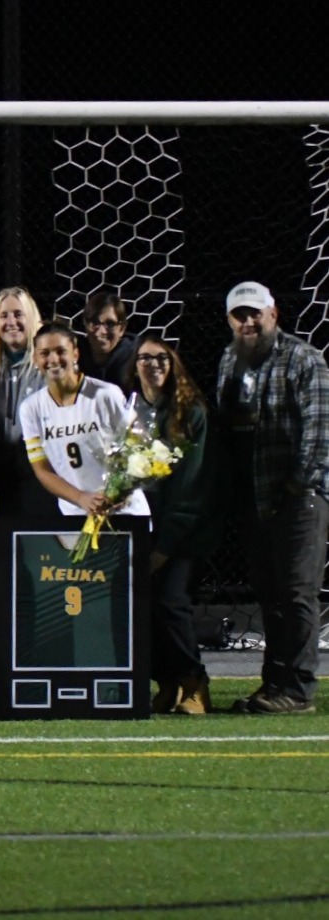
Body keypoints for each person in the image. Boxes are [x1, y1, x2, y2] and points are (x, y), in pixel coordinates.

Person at [216, 281, 329, 714]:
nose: (247, 322)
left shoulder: (304, 359)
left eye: (254, 314)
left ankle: (298, 689)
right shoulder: (231, 359)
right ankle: (274, 684)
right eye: (238, 315)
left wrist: (298, 487)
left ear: (273, 315)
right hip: (255, 499)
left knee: (297, 593)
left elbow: (319, 434)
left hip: (299, 500)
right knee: (269, 594)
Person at [125, 333, 222, 715]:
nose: (154, 366)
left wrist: (165, 545)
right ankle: (165, 683)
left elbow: (192, 486)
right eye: (146, 359)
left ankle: (195, 682)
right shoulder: (127, 410)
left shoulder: (191, 411)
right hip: (140, 527)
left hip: (182, 532)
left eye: (162, 359)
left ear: (174, 364)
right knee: (144, 607)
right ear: (134, 366)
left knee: (171, 602)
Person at [18, 321, 150, 519]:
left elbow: (140, 447)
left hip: (125, 510)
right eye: (45, 353)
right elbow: (42, 470)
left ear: (75, 355)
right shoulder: (30, 408)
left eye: (61, 351)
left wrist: (120, 490)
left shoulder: (106, 394)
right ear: (35, 359)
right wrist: (80, 498)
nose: (53, 359)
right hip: (76, 515)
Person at [0, 286, 53, 520]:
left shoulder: (47, 367)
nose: (11, 322)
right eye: (4, 316)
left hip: (37, 478)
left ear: (31, 318)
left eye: (18, 314)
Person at [78, 290, 138, 388]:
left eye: (110, 324)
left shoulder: (135, 360)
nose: (101, 331)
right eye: (94, 322)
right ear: (85, 324)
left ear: (122, 328)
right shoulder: (74, 354)